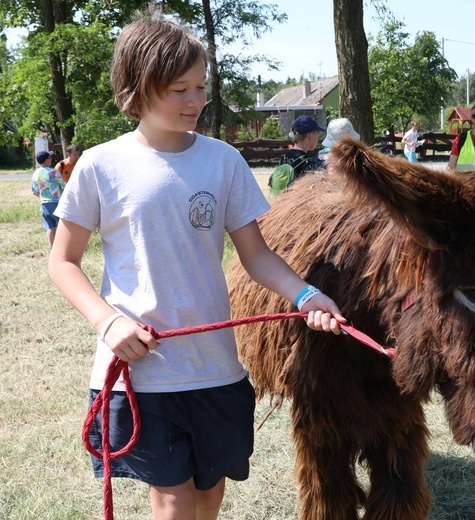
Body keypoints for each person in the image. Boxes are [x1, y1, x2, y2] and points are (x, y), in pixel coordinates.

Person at [48, 12, 346, 519]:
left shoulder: (223, 161)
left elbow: (256, 254)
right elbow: (63, 262)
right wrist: (109, 322)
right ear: (137, 87)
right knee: (172, 497)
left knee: (209, 492)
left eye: (200, 87)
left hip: (214, 367)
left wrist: (304, 295)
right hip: (141, 371)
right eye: (178, 88)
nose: (195, 101)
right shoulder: (100, 165)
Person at [30, 150, 66, 247]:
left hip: (44, 203)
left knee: (50, 227)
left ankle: (52, 248)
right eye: (50, 158)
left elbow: (34, 191)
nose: (51, 159)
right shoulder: (54, 172)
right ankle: (61, 247)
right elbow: (64, 186)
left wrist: (43, 197)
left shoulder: (36, 173)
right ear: (46, 160)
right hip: (56, 203)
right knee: (60, 226)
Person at [280, 115, 325, 186]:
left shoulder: (284, 158)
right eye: (317, 135)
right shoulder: (307, 163)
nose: (317, 139)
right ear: (311, 135)